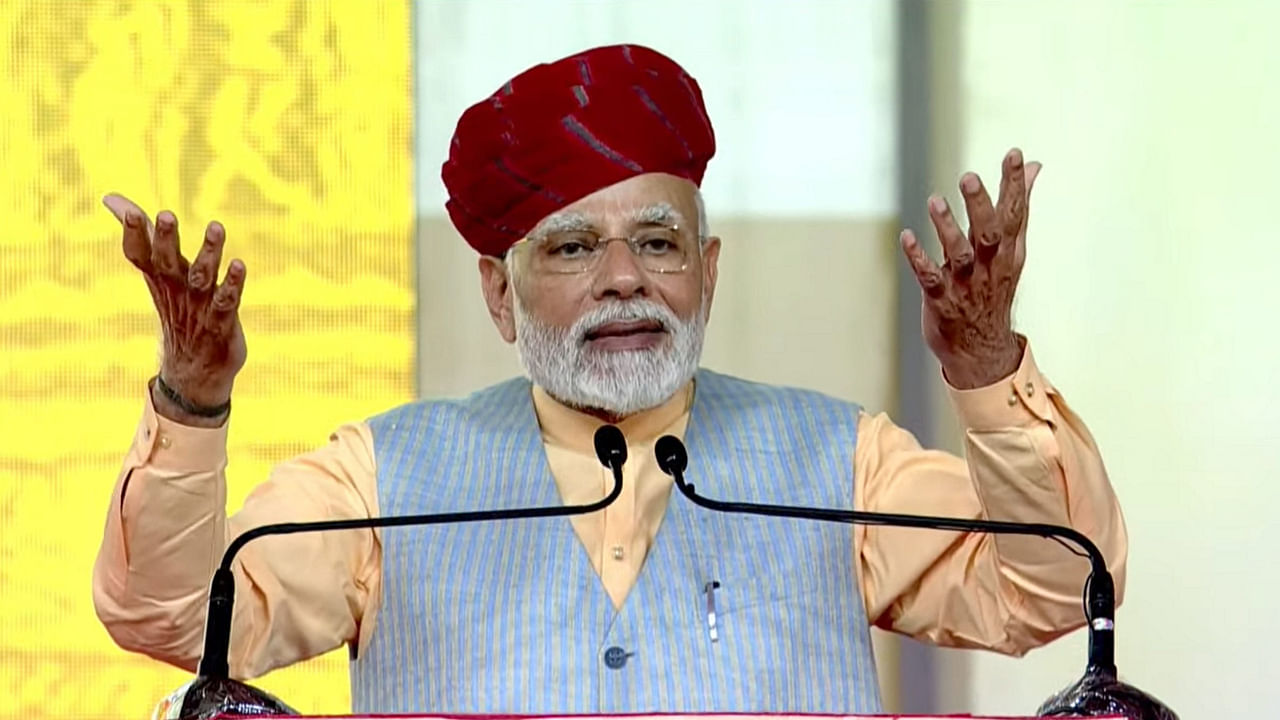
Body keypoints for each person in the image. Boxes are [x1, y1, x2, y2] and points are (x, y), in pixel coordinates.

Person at [92, 44, 1126, 715]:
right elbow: (179, 621)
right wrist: (190, 398)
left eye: (658, 242)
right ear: (500, 294)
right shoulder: (379, 476)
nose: (624, 278)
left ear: (706, 274)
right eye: (574, 248)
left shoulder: (836, 456)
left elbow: (1045, 592)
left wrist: (986, 367)